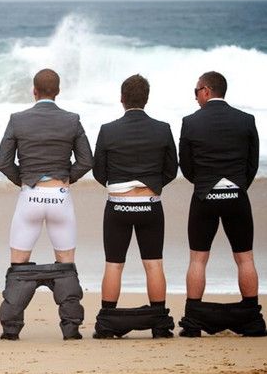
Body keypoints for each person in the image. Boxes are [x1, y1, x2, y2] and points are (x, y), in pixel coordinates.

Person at [0, 68, 93, 340]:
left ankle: (11, 330)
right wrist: (65, 179)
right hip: (60, 197)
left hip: (30, 196)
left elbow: (3, 162)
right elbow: (86, 161)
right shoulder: (71, 120)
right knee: (65, 264)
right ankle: (71, 329)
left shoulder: (18, 119)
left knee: (19, 264)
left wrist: (26, 182)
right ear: (58, 91)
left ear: (34, 91)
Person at [178, 71, 267, 337]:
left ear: (206, 90)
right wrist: (237, 186)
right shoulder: (245, 120)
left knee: (198, 258)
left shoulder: (190, 122)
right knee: (245, 258)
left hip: (204, 196)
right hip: (237, 196)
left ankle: (193, 322)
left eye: (195, 91)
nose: (195, 96)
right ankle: (252, 319)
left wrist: (205, 183)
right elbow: (253, 163)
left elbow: (186, 166)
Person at [92, 74, 177, 339]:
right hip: (150, 205)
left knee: (114, 265)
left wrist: (117, 185)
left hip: (118, 205)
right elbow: (171, 170)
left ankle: (107, 322)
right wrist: (151, 185)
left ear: (122, 99)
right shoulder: (162, 129)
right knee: (153, 264)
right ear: (146, 99)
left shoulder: (108, 129)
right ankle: (160, 324)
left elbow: (98, 171)